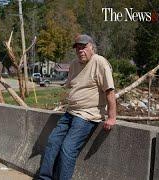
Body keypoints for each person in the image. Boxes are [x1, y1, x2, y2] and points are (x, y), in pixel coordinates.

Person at [37, 34, 117, 180]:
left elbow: (110, 91)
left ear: (92, 47)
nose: (80, 50)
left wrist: (112, 117)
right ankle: (44, 178)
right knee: (52, 142)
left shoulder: (99, 62)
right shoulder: (74, 64)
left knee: (67, 149)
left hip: (87, 115)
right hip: (70, 112)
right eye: (78, 48)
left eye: (84, 47)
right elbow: (71, 86)